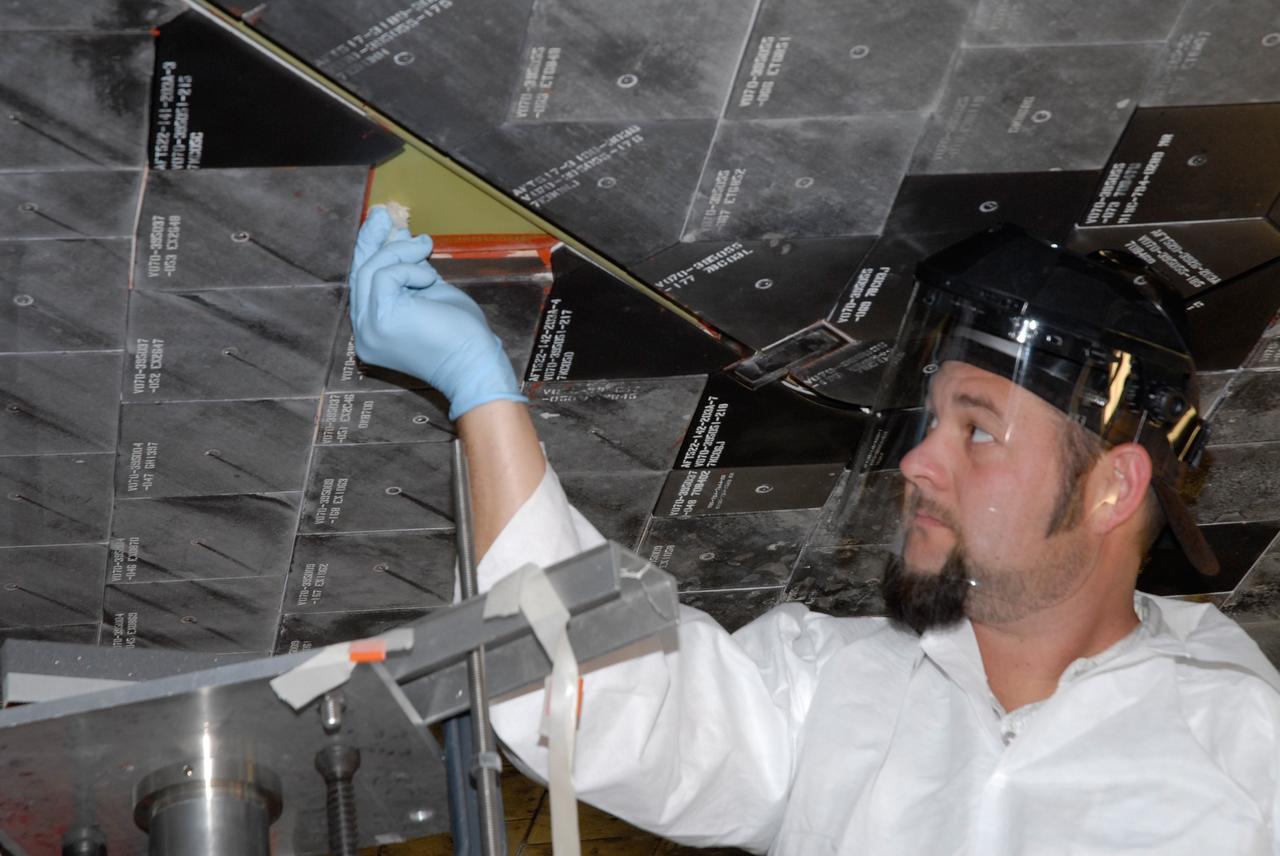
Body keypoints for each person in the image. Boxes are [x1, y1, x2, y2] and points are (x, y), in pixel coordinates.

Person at [349, 209, 1280, 855]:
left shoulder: (1244, 744)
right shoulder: (836, 688)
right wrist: (484, 394)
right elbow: (592, 699)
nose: (918, 462)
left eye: (977, 431)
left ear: (1112, 488)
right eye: (930, 423)